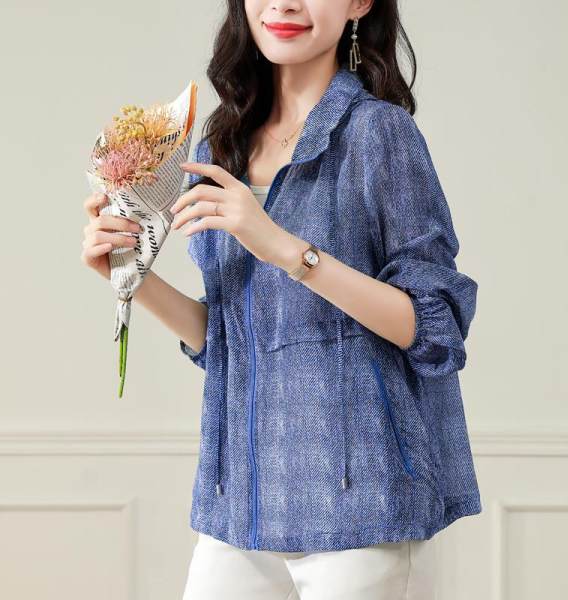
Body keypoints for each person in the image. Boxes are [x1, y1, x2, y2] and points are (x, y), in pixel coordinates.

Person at [81, 1, 481, 598]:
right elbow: (229, 340)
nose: (285, 2)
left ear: (359, 3)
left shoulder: (379, 135)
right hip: (239, 502)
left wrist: (285, 249)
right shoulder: (219, 147)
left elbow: (433, 326)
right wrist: (132, 277)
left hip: (362, 507)